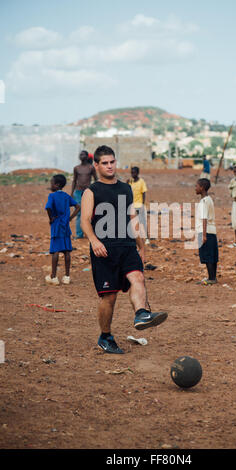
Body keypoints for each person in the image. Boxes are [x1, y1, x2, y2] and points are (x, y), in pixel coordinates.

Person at [80, 145, 167, 354]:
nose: (110, 166)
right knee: (109, 297)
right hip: (105, 250)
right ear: (97, 165)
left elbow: (132, 218)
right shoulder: (91, 191)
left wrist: (142, 246)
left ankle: (141, 314)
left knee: (138, 277)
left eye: (112, 162)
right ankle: (105, 336)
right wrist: (94, 241)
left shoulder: (126, 188)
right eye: (105, 163)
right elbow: (84, 221)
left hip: (127, 245)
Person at [45, 174, 80, 285]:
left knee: (55, 251)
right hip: (65, 227)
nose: (50, 185)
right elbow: (78, 207)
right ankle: (67, 277)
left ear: (57, 185)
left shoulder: (52, 196)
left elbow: (49, 207)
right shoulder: (66, 196)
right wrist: (70, 218)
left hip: (56, 226)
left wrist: (51, 219)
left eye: (52, 183)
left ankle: (54, 277)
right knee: (66, 251)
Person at [195, 178, 218, 285]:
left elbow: (204, 218)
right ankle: (213, 277)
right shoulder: (209, 199)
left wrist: (203, 235)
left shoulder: (204, 201)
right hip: (212, 230)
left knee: (208, 255)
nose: (195, 188)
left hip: (205, 230)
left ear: (202, 188)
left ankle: (211, 278)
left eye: (197, 186)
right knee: (212, 255)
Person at [71, 150, 97, 239]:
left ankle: (89, 233)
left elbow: (96, 179)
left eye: (83, 154)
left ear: (87, 156)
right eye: (80, 154)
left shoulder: (91, 168)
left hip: (88, 192)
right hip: (78, 192)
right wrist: (71, 193)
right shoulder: (76, 168)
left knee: (89, 212)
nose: (81, 156)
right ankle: (79, 234)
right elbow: (74, 180)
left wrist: (96, 191)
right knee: (79, 212)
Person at [127, 166, 150, 245]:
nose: (132, 174)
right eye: (131, 172)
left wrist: (143, 205)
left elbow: (143, 193)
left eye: (134, 172)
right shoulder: (129, 181)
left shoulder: (141, 182)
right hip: (132, 206)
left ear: (137, 173)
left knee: (143, 222)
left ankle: (147, 238)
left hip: (139, 205)